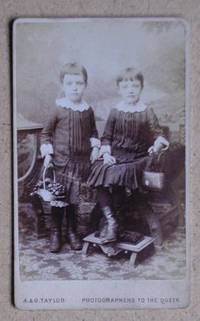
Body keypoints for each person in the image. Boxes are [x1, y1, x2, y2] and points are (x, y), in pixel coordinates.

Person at [88, 67, 169, 244]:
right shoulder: (115, 111)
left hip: (138, 158)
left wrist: (156, 145)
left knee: (120, 176)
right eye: (125, 87)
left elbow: (157, 134)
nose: (130, 90)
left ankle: (115, 222)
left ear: (141, 88)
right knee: (100, 172)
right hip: (117, 156)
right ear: (119, 89)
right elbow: (107, 137)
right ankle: (112, 222)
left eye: (135, 86)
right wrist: (107, 153)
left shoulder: (146, 111)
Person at [40, 63, 100, 252]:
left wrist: (95, 147)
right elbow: (46, 134)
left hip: (79, 164)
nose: (74, 87)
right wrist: (48, 153)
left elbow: (93, 132)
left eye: (79, 83)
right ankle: (56, 232)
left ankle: (73, 231)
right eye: (70, 83)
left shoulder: (87, 110)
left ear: (85, 85)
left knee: (73, 201)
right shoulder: (58, 108)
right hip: (60, 163)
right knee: (59, 199)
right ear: (63, 85)